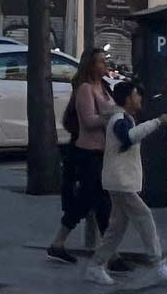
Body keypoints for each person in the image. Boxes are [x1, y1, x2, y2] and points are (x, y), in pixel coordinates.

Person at [87, 77, 167, 287]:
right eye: (136, 94)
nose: (139, 98)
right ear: (127, 98)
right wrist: (157, 122)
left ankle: (96, 266)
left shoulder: (123, 117)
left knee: (116, 228)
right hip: (120, 182)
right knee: (144, 216)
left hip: (119, 181)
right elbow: (128, 138)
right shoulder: (119, 119)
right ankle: (156, 263)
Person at [48, 47, 116, 263]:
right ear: (91, 65)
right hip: (88, 153)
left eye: (105, 61)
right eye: (100, 62)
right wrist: (112, 115)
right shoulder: (85, 89)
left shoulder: (104, 87)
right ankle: (110, 255)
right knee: (97, 203)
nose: (105, 65)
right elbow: (88, 121)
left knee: (93, 202)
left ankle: (59, 243)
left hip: (103, 153)